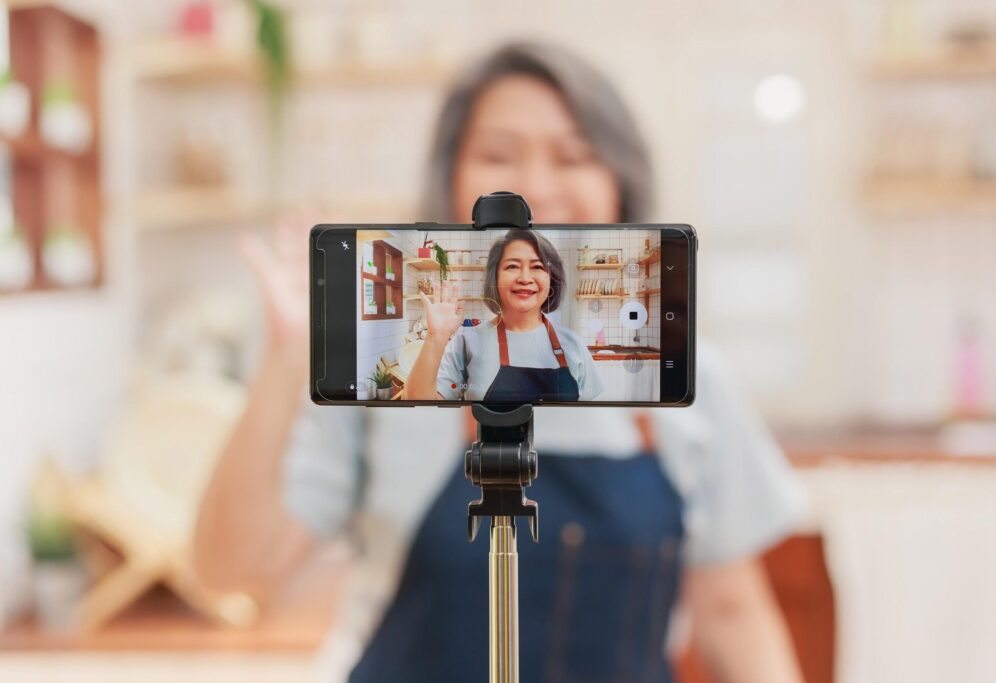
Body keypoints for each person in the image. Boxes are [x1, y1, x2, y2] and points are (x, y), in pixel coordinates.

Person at [195, 42, 807, 683]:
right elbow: (234, 572)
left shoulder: (688, 376)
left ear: (618, 184)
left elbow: (733, 611)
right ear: (451, 183)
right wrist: (288, 358)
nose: (535, 188)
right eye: (499, 154)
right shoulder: (391, 362)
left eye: (574, 155)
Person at [405, 228, 604, 402]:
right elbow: (418, 405)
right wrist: (436, 337)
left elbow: (591, 420)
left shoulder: (573, 344)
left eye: (537, 267)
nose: (525, 278)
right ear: (495, 277)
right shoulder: (467, 342)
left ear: (551, 279)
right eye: (512, 266)